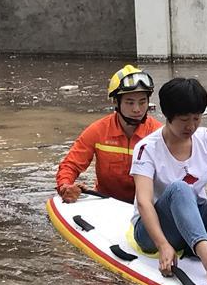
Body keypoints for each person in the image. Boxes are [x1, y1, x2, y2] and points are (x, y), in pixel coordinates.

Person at [131, 77, 207, 285]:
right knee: (180, 188)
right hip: (155, 230)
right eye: (184, 120)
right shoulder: (147, 148)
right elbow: (143, 201)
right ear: (169, 116)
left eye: (196, 119)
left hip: (195, 221)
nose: (191, 126)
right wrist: (163, 245)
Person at [56, 64, 162, 204]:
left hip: (148, 205)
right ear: (116, 102)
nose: (137, 109)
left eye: (142, 102)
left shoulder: (159, 134)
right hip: (107, 205)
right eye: (130, 103)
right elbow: (71, 165)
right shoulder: (98, 131)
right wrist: (66, 186)